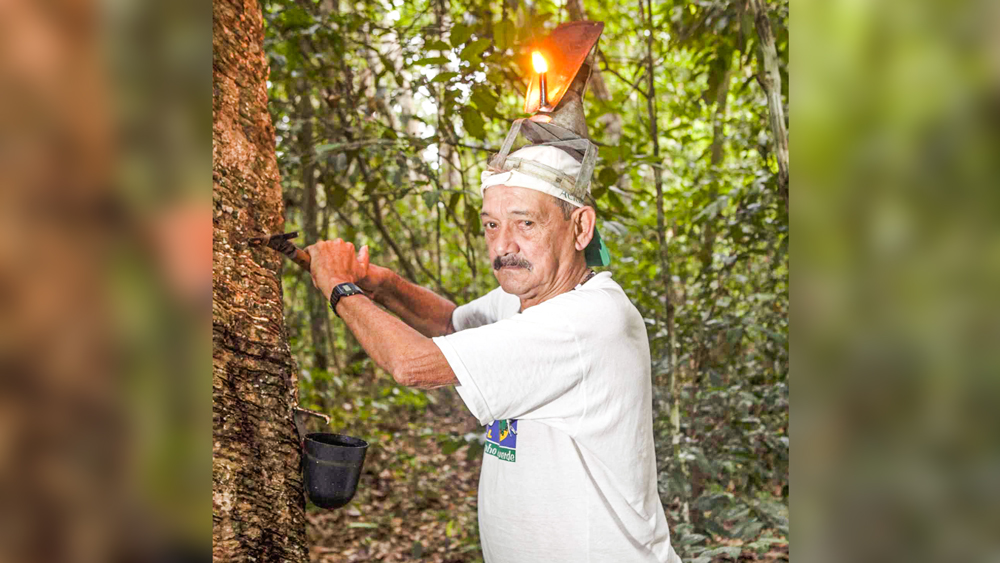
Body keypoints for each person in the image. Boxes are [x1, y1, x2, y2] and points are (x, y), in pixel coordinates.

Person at [306, 144, 682, 563]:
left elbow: (412, 364)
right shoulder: (532, 296)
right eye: (491, 224)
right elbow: (451, 324)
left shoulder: (588, 320)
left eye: (525, 223)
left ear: (580, 227)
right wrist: (384, 285)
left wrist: (339, 286)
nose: (504, 245)